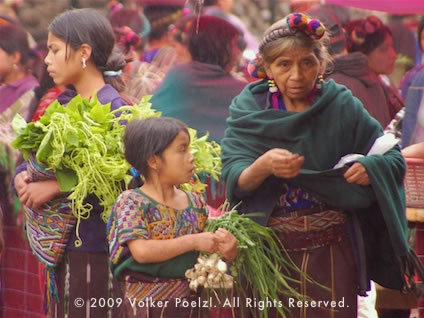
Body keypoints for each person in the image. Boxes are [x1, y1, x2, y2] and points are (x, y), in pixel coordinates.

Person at [221, 12, 420, 317]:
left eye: (307, 63)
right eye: (283, 65)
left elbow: (392, 157)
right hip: (269, 256)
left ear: (321, 64)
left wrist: (371, 169)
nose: (297, 76)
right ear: (267, 68)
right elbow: (234, 178)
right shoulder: (249, 110)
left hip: (332, 255)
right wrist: (262, 166)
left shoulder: (340, 104)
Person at [13, 8, 130, 318]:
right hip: (65, 247)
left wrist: (55, 187)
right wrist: (22, 177)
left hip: (96, 245)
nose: (47, 60)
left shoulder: (116, 109)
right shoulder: (62, 105)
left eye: (54, 50)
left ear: (84, 53)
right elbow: (32, 158)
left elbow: (121, 179)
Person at [107, 117, 237, 317]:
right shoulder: (132, 202)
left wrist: (228, 252)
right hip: (146, 310)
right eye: (182, 149)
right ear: (153, 161)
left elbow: (206, 260)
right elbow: (141, 251)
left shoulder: (196, 202)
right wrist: (193, 241)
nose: (191, 157)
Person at [0, 22, 43, 317]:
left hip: (16, 200)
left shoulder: (29, 93)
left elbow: (18, 142)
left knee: (19, 278)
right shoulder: (5, 88)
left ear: (15, 57)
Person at [151, 15, 246, 142]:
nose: (237, 52)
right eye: (233, 45)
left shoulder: (178, 75)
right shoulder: (243, 92)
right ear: (217, 46)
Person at [327, 15, 403, 128]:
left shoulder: (379, 82)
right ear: (363, 53)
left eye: (392, 47)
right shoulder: (343, 85)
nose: (393, 55)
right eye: (383, 49)